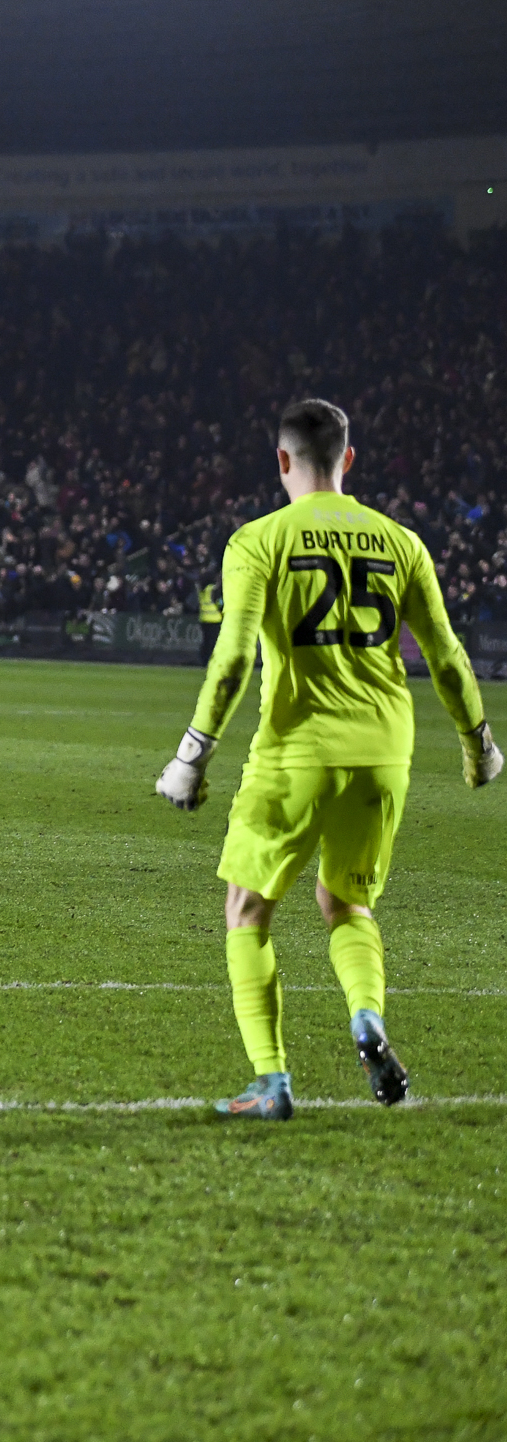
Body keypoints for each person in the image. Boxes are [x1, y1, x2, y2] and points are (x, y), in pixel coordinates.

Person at [154, 399, 500, 1120]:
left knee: (247, 909)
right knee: (346, 902)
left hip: (296, 750)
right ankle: (366, 1017)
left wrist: (192, 755)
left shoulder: (257, 540)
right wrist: (478, 746)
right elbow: (444, 655)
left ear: (281, 461)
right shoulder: (400, 542)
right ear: (348, 459)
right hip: (383, 752)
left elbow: (231, 658)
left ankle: (271, 1082)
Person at [196, 575, 224, 663]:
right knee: (214, 642)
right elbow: (218, 602)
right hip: (215, 619)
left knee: (206, 641)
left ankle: (204, 660)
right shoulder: (212, 589)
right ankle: (213, 660)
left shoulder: (201, 590)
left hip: (204, 619)